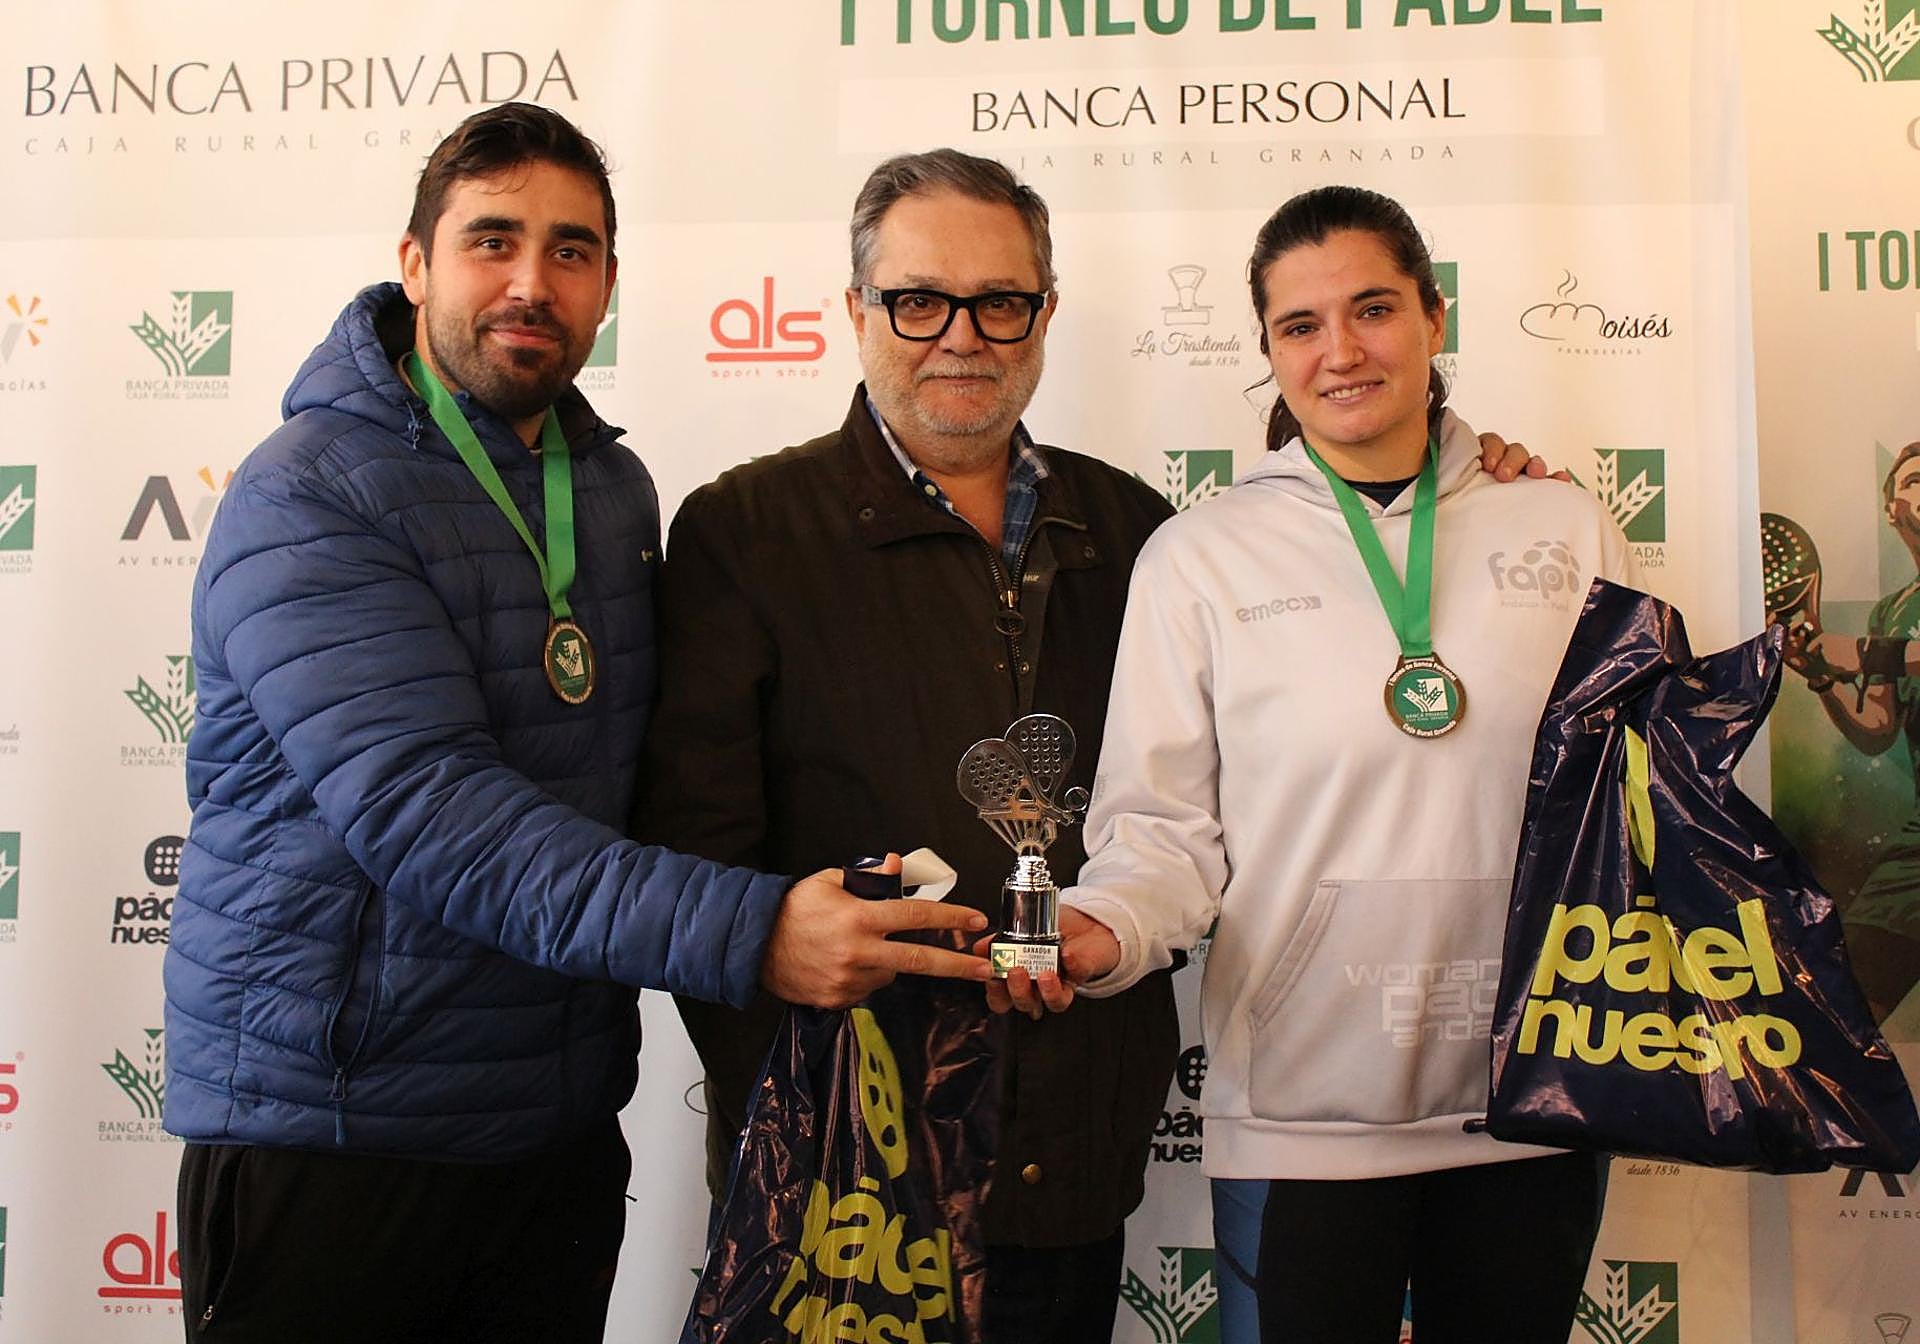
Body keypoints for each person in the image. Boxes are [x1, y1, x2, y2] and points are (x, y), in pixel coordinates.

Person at [636, 155, 1557, 1342]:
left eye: (999, 301)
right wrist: (807, 1117)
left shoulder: (1134, 528)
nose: (962, 334)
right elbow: (697, 875)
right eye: (918, 300)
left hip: (1067, 1167)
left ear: (1046, 313)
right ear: (857, 310)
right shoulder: (745, 531)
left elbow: (1186, 816)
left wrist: (1484, 488)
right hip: (847, 1187)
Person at [162, 104, 986, 1344]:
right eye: (492, 241)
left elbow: (659, 780)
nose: (531, 283)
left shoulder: (607, 487)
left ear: (607, 281)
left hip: (552, 1134)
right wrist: (760, 929)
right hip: (338, 1137)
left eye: (571, 250)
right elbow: (433, 819)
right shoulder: (311, 491)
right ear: (414, 263)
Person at [1014, 185, 1635, 1344]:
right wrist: (1105, 929)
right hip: (1301, 1121)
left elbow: (1637, 803)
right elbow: (1161, 832)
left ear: (1435, 318)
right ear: (1268, 352)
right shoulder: (1200, 558)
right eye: (1300, 325)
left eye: (1373, 310)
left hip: (1537, 1095)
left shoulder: (1563, 526)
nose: (1340, 351)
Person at [1780, 439, 1920, 1023]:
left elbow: (1883, 658)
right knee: (1849, 1016)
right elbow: (1877, 730)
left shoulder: (1876, 638)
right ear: (1891, 509)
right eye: (1913, 481)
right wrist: (1819, 676)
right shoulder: (1892, 610)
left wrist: (1859, 653)